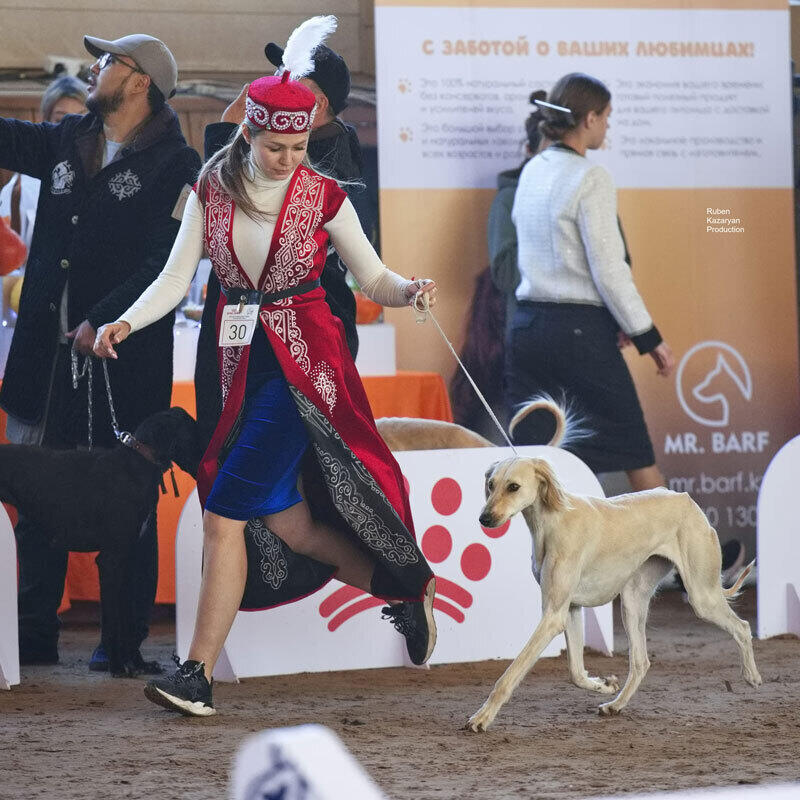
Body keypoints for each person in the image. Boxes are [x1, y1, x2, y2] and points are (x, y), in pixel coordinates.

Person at [94, 15, 438, 718]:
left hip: (305, 373)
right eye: (278, 145)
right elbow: (174, 279)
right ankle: (406, 590)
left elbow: (371, 279)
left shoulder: (325, 195)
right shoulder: (208, 191)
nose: (291, 159)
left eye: (302, 144)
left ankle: (196, 675)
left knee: (222, 512)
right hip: (235, 363)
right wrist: (124, 321)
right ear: (247, 132)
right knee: (291, 525)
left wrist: (408, 292)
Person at [0, 34, 201, 668]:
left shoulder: (179, 164)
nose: (95, 66)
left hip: (124, 359)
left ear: (141, 81)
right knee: (34, 491)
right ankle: (32, 635)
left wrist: (103, 317)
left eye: (109, 60)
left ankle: (122, 646)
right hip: (45, 357)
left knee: (132, 504)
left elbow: (164, 265)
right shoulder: (66, 138)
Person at [506, 72, 675, 492]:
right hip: (578, 336)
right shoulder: (590, 177)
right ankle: (682, 555)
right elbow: (608, 267)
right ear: (589, 119)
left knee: (543, 465)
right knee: (635, 452)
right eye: (607, 117)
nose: (608, 127)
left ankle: (551, 559)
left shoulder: (531, 171)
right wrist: (649, 338)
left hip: (526, 331)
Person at [194, 40, 366, 451]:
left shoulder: (321, 168)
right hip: (244, 330)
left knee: (265, 466)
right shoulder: (289, 149)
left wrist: (233, 122)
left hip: (299, 339)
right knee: (269, 483)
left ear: (317, 105)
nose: (277, 81)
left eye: (289, 75)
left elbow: (227, 187)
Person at [0, 76, 88, 254]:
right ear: (45, 122)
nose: (70, 130)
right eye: (60, 121)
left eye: (81, 120)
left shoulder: (102, 172)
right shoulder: (19, 189)